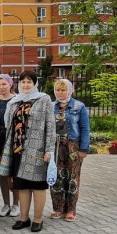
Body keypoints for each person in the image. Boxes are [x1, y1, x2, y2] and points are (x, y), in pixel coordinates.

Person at [0, 70, 55, 233]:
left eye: (29, 81)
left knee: (37, 185)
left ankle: (38, 219)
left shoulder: (44, 99)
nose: (25, 85)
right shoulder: (15, 101)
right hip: (18, 149)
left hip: (37, 149)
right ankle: (23, 217)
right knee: (22, 185)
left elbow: (50, 126)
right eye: (23, 82)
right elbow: (9, 124)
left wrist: (49, 149)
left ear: (35, 83)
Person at [50, 79, 90, 222]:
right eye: (58, 90)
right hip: (56, 146)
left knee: (72, 178)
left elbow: (85, 128)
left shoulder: (79, 106)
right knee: (57, 178)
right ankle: (59, 208)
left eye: (63, 90)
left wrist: (83, 149)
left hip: (72, 146)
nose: (60, 93)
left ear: (69, 90)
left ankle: (71, 209)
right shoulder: (51, 106)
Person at [0, 74, 20, 217]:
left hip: (13, 139)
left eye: (4, 84)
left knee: (14, 173)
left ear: (10, 84)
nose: (1, 87)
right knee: (2, 173)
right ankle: (6, 204)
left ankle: (16, 204)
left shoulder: (17, 100)